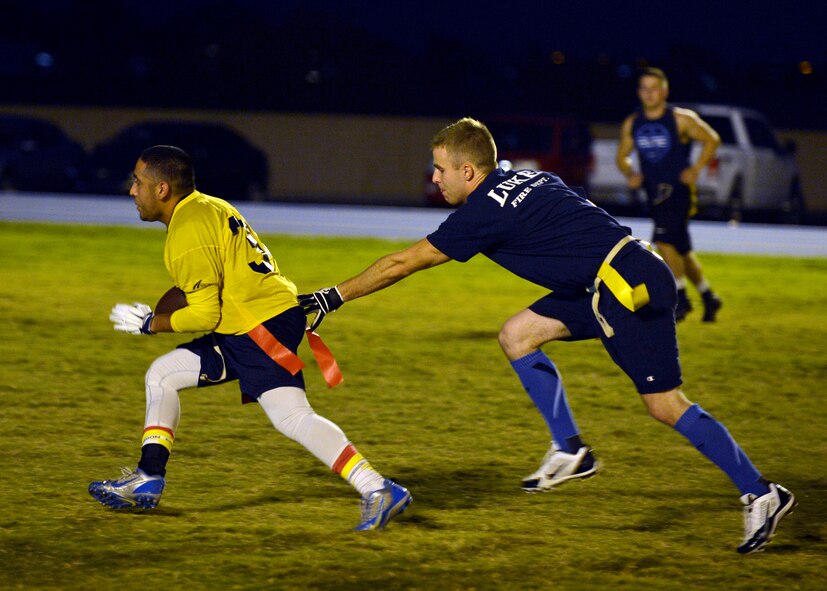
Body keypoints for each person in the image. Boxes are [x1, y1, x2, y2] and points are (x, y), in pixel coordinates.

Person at [299, 118, 795, 554]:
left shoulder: (482, 212)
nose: (434, 178)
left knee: (664, 405)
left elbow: (404, 262)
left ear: (468, 172)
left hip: (625, 288)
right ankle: (571, 450)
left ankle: (761, 492)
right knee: (517, 334)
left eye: (440, 169)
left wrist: (332, 297)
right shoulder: (526, 177)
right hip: (611, 273)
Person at [89, 145, 411, 531]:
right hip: (251, 323)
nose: (131, 190)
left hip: (259, 327)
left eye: (138, 182)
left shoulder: (187, 232)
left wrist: (150, 324)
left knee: (292, 417)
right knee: (164, 373)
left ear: (161, 190)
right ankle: (148, 475)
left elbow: (204, 313)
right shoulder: (208, 206)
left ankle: (377, 488)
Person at [616, 67, 723, 322]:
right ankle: (709, 297)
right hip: (653, 193)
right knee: (681, 250)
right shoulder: (634, 122)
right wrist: (630, 172)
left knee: (663, 243)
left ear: (664, 91)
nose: (649, 94)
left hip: (679, 192)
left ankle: (681, 301)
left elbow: (712, 139)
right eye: (644, 88)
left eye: (654, 88)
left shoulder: (680, 119)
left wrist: (696, 169)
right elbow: (622, 156)